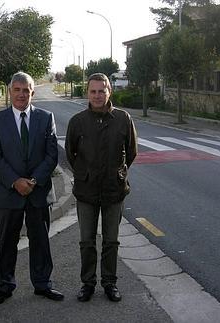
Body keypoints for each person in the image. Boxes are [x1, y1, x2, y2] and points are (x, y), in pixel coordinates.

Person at [0, 71, 63, 305]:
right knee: (7, 242)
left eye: (26, 90)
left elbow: (52, 155)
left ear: (32, 92)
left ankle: (42, 284)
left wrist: (34, 181)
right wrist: (16, 181)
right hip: (9, 193)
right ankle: (5, 286)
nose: (21, 94)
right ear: (10, 92)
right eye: (16, 90)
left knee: (40, 241)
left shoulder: (45, 117)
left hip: (38, 193)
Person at [65, 73, 138, 302]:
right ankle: (87, 283)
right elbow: (70, 153)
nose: (97, 95)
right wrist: (84, 173)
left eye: (101, 91)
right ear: (88, 93)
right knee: (86, 241)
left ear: (109, 92)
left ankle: (109, 283)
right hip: (86, 192)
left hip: (113, 191)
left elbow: (131, 151)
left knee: (111, 241)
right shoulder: (78, 121)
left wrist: (118, 173)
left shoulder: (123, 119)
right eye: (93, 91)